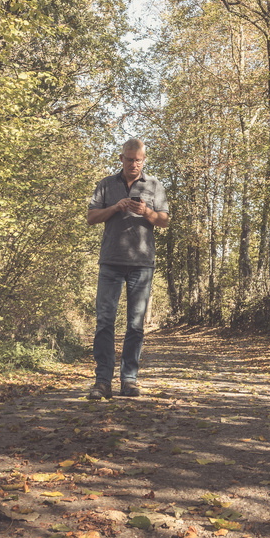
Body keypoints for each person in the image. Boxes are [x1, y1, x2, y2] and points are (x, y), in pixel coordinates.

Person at [86, 138, 169, 399]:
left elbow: (164, 221)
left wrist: (146, 212)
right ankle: (102, 381)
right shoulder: (106, 184)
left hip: (142, 264)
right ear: (121, 158)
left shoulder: (154, 185)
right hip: (110, 261)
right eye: (129, 159)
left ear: (144, 160)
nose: (134, 164)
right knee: (104, 322)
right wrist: (115, 207)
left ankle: (129, 380)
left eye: (138, 160)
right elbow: (90, 217)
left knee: (135, 325)